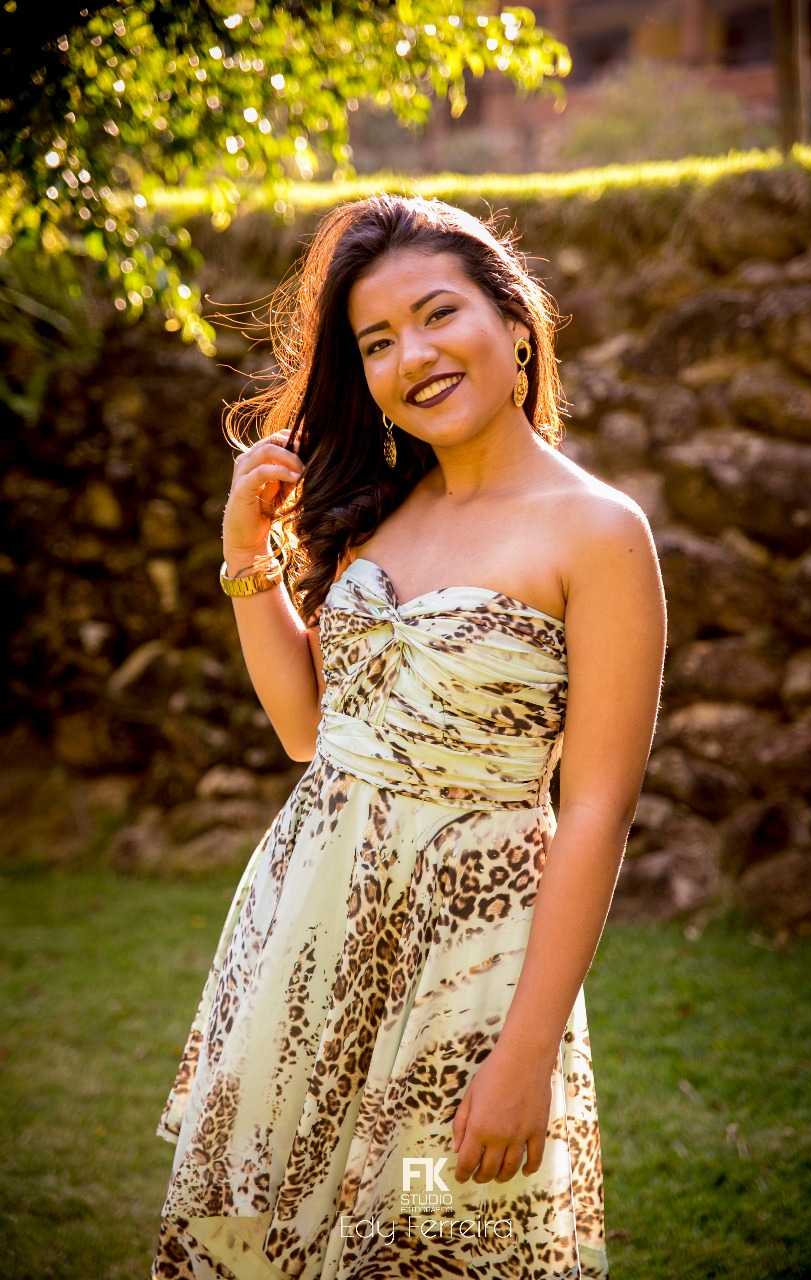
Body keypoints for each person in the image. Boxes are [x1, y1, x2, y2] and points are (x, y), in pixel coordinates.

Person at [150, 193, 667, 1280]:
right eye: (376, 341)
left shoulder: (597, 531)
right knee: (270, 1237)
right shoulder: (377, 511)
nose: (411, 357)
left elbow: (596, 810)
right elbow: (308, 729)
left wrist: (524, 1054)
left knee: (433, 1222)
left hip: (469, 967)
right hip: (304, 936)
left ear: (514, 324)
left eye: (437, 314)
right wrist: (246, 555)